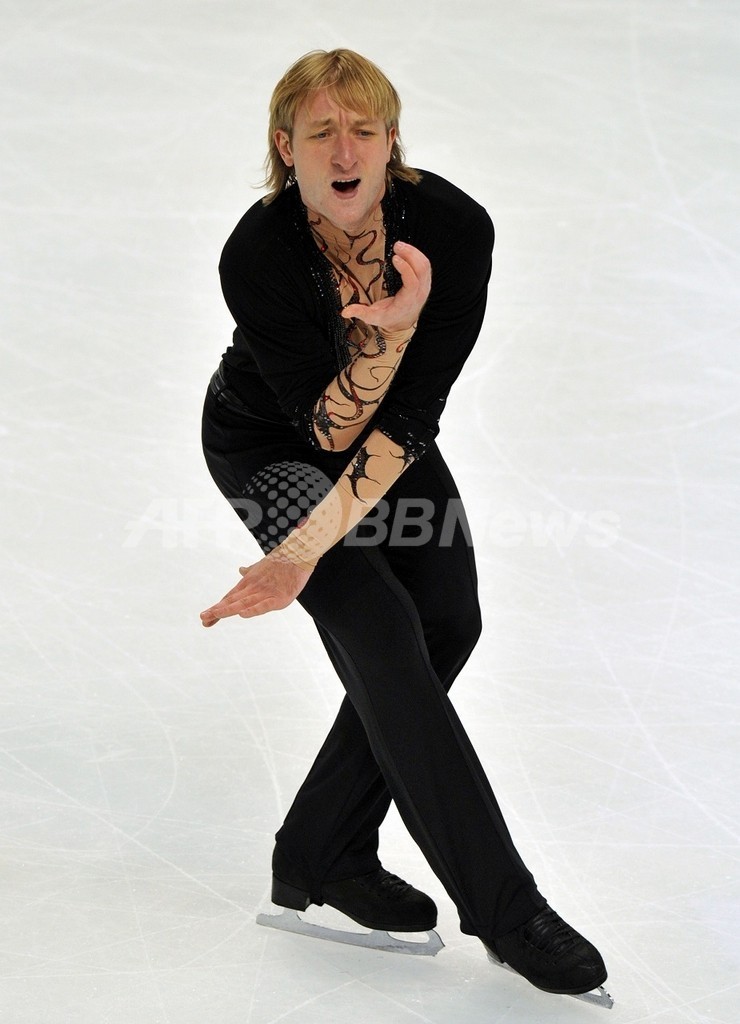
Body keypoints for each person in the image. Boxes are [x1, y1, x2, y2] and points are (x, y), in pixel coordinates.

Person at [200, 48, 609, 1002]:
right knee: (382, 630)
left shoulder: (455, 230)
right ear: (286, 148)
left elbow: (407, 419)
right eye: (321, 133)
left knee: (447, 620)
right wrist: (301, 548)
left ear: (392, 141)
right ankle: (507, 911)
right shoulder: (258, 255)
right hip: (270, 445)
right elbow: (324, 431)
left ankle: (323, 849)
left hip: (392, 436)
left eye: (364, 130)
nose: (345, 152)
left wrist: (401, 334)